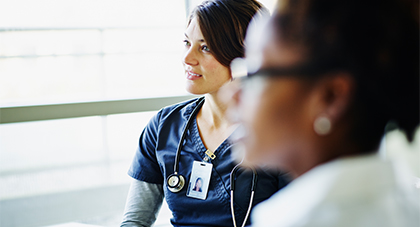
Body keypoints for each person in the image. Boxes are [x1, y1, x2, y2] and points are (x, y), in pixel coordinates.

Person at [224, 0, 420, 226]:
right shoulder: (408, 203)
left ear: (331, 98)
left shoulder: (299, 221)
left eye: (253, 75)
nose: (232, 95)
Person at [120, 1, 290, 226]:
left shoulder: (281, 135)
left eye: (205, 47)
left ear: (245, 56)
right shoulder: (163, 127)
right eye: (186, 43)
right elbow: (134, 221)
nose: (187, 58)